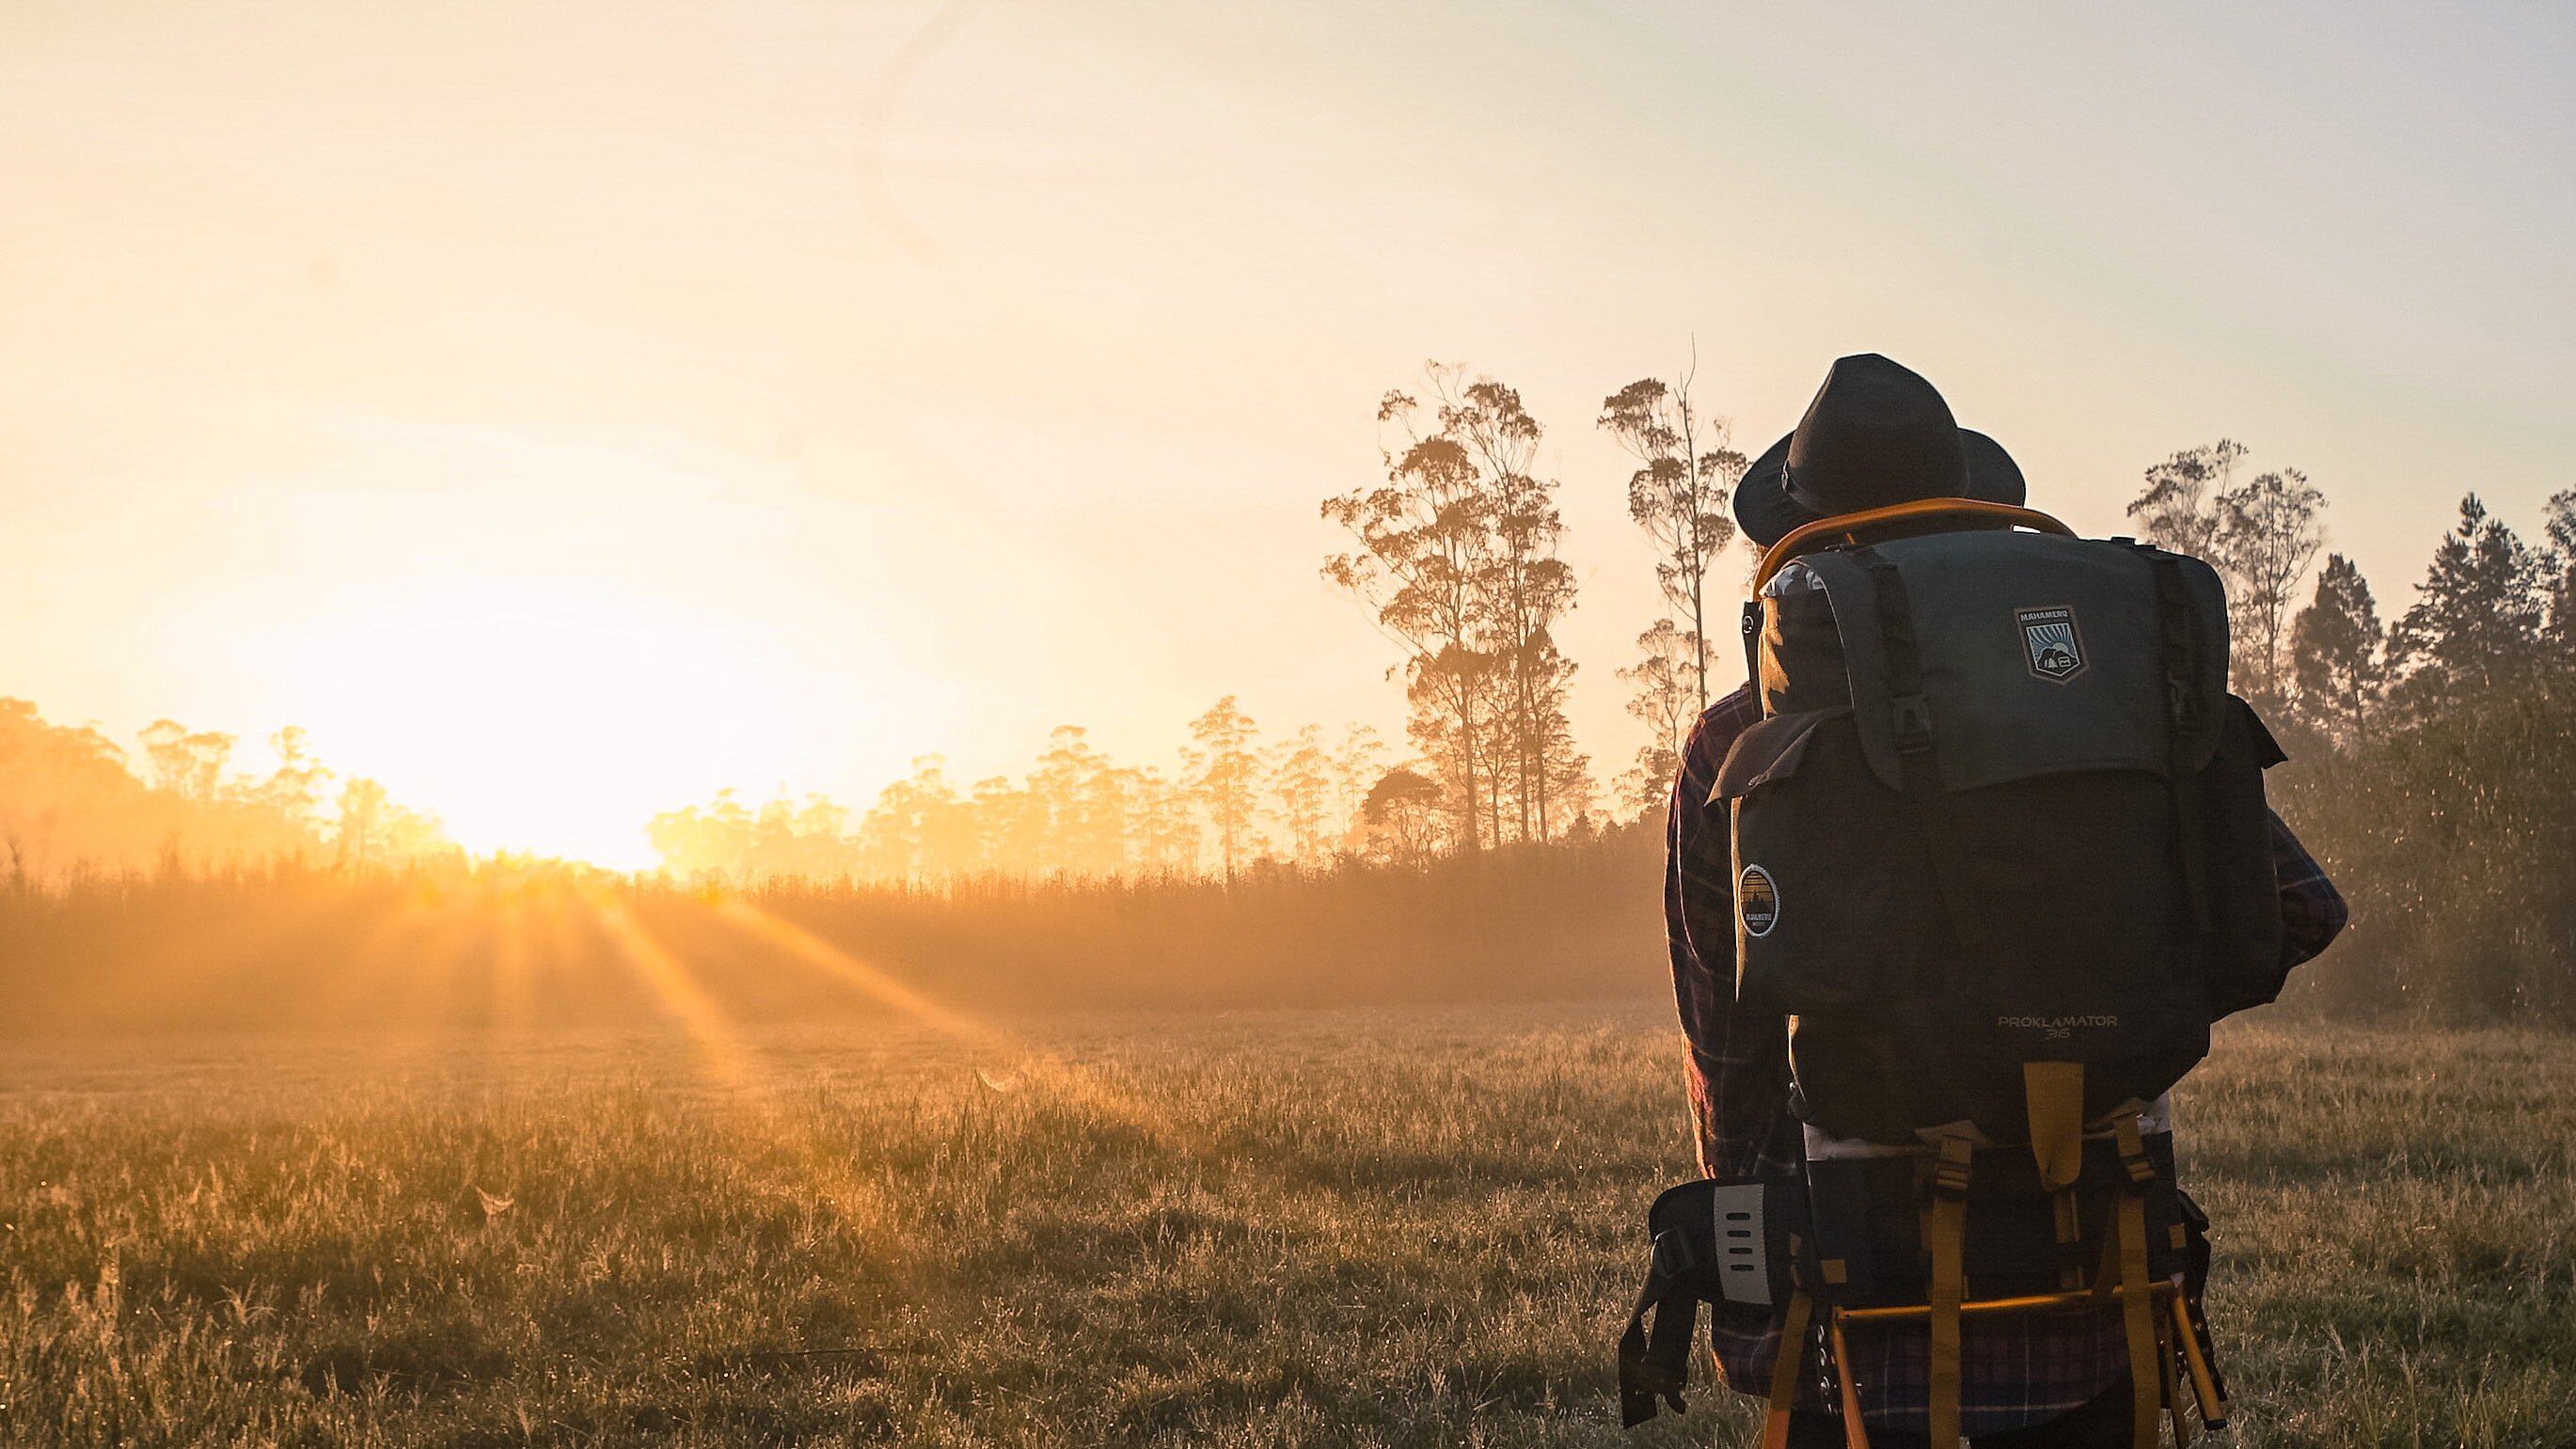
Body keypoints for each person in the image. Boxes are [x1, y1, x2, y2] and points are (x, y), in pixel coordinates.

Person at [1664, 354, 2347, 1446]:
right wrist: (2092, 1005)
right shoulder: (2111, 698)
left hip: (1873, 1306)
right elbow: (2299, 909)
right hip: (2105, 1279)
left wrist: (1753, 1252)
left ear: (1804, 537)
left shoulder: (1740, 741)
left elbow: (1729, 1039)